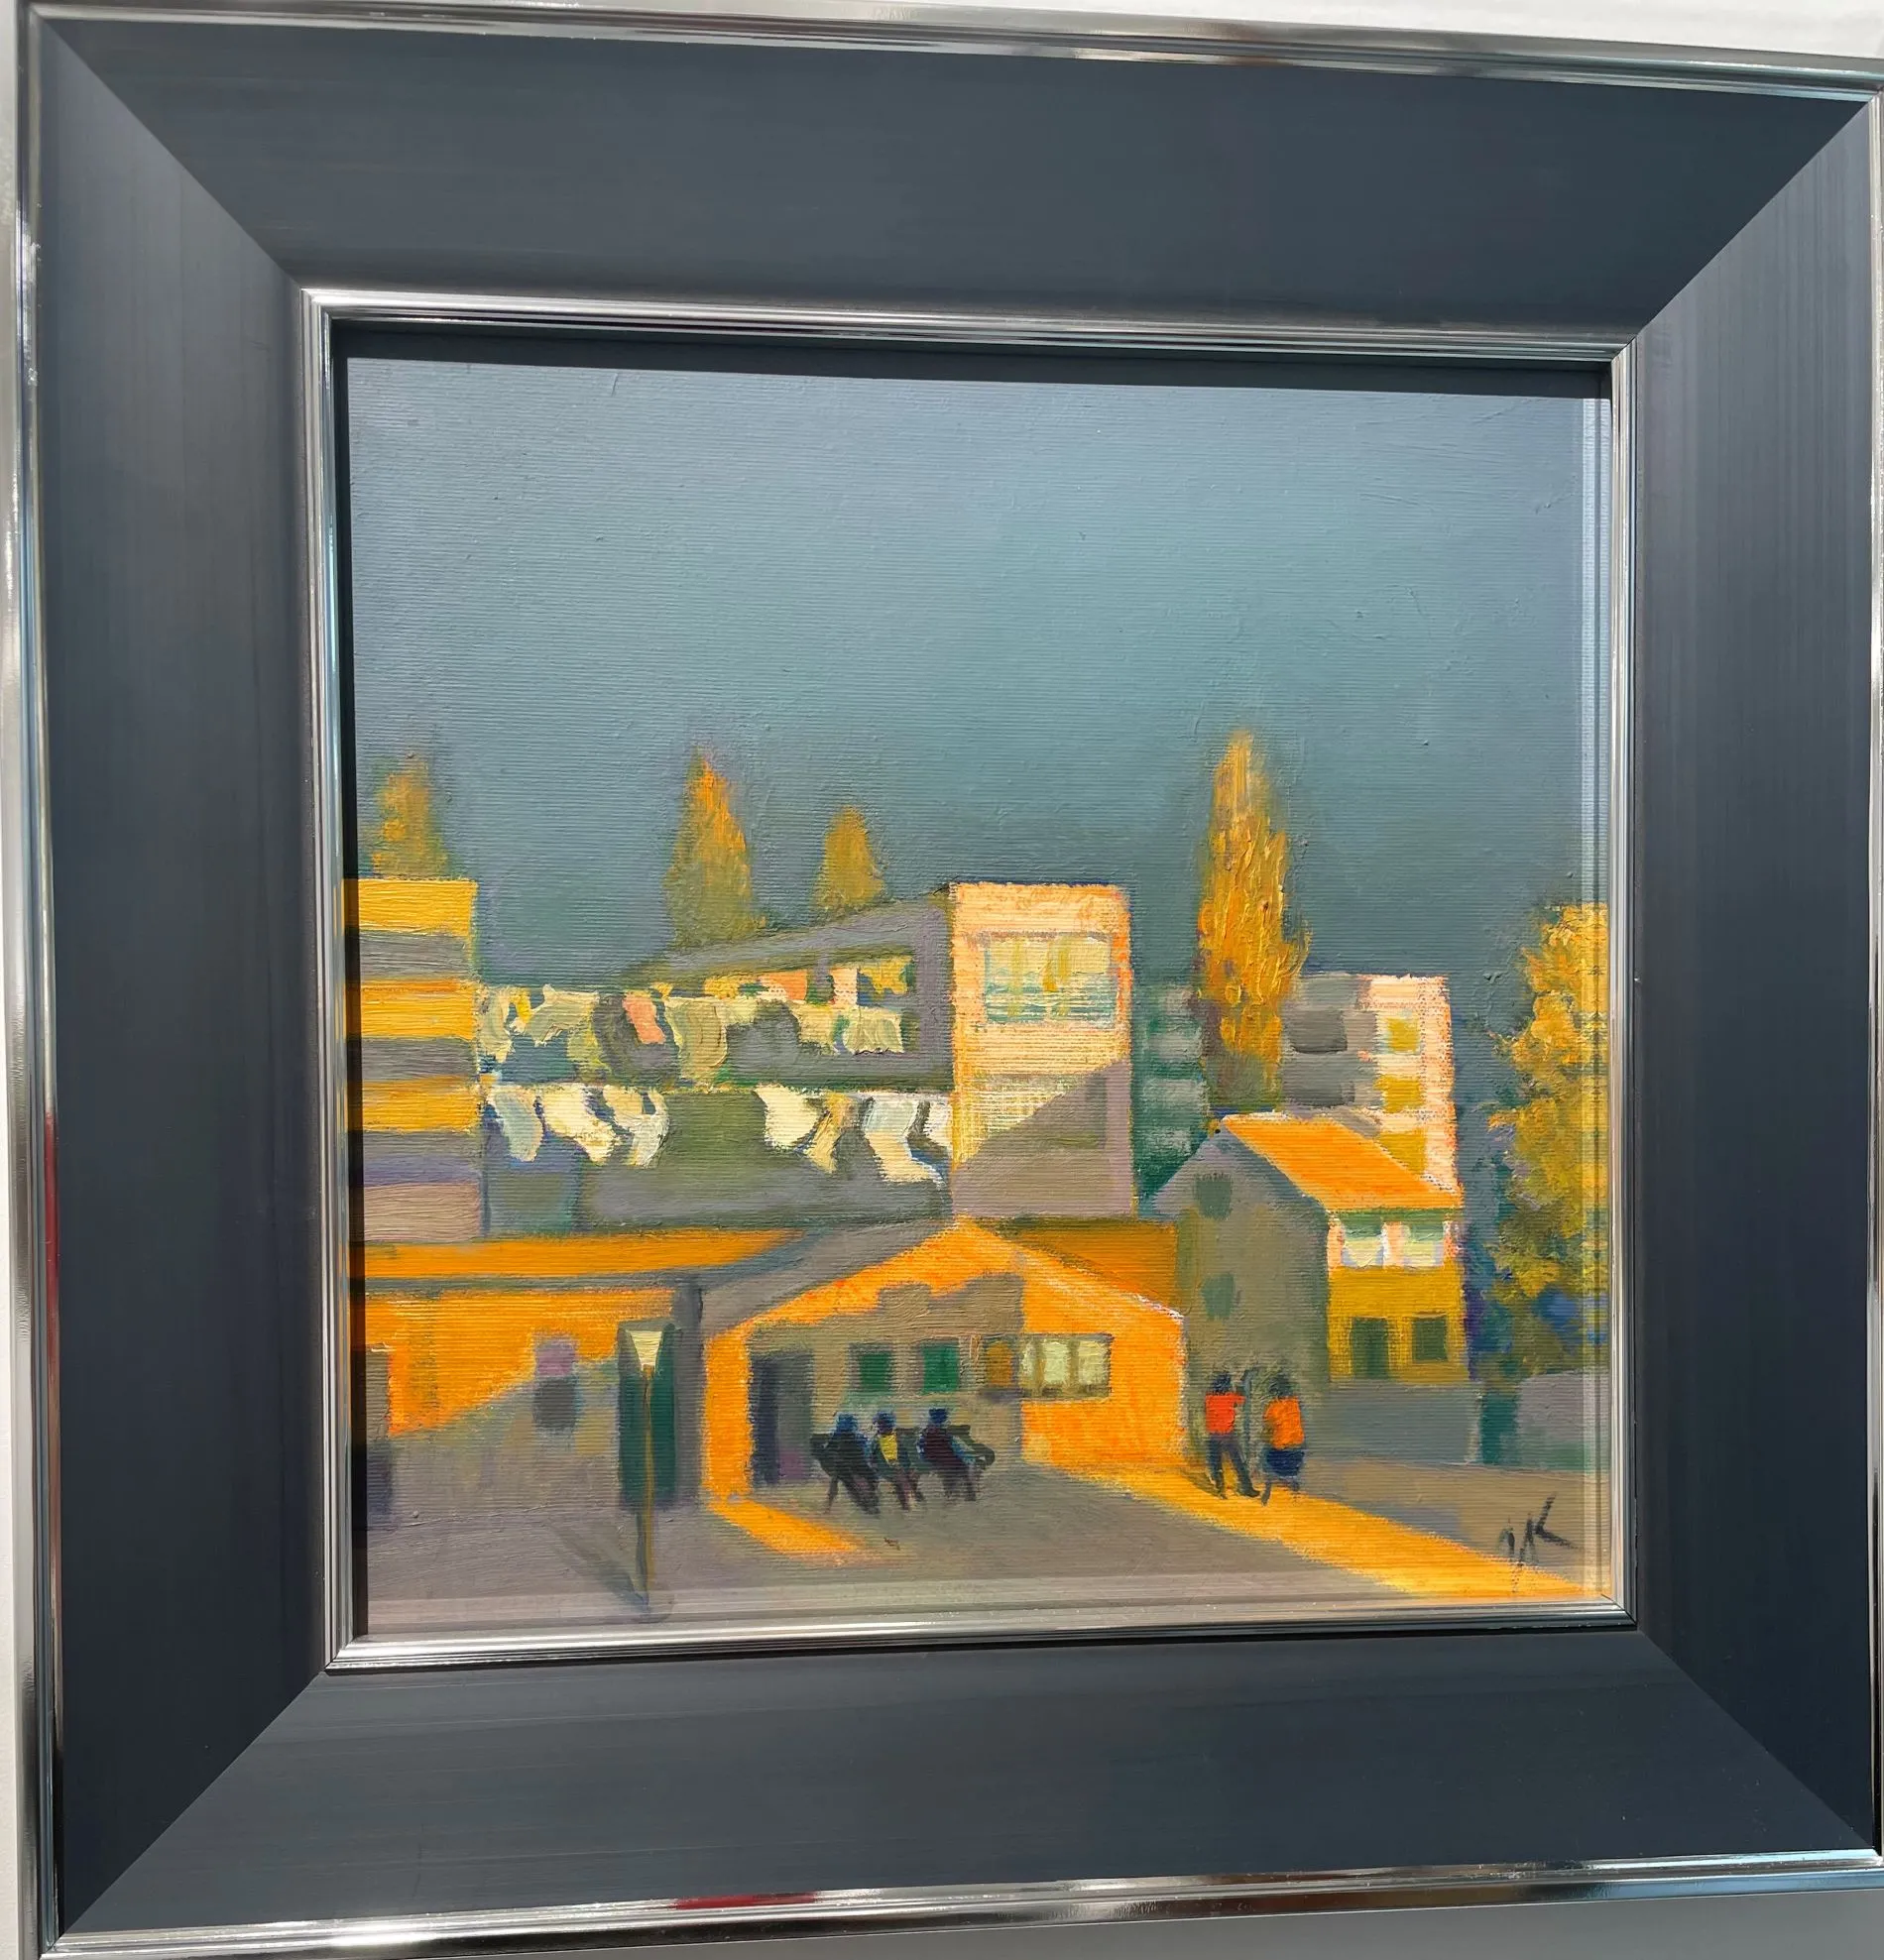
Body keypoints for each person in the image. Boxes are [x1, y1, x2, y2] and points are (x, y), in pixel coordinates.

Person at [1203, 1372, 1255, 1497]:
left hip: (1213, 1436)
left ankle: (1220, 1488)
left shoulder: (1209, 1398)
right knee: (1238, 1462)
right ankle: (1247, 1488)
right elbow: (1242, 1399)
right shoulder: (1231, 1397)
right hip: (1227, 1435)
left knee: (1216, 1463)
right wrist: (1242, 1383)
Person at [820, 1412, 880, 1515]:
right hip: (857, 1466)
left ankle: (828, 1507)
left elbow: (828, 1451)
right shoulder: (857, 1437)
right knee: (871, 1480)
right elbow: (867, 1450)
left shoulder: (836, 1437)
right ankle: (828, 1506)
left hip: (848, 1467)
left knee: (835, 1481)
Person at [1260, 1370, 1307, 1502]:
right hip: (1297, 1453)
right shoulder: (1295, 1403)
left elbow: (1268, 1429)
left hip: (1281, 1453)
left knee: (1264, 1455)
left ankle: (1268, 1487)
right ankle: (1293, 1482)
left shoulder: (1272, 1408)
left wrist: (1264, 1437)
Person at [918, 1407, 979, 1502]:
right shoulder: (945, 1434)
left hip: (937, 1464)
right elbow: (957, 1449)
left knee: (949, 1482)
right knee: (964, 1474)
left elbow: (921, 1451)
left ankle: (953, 1497)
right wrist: (969, 1458)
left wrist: (927, 1462)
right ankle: (969, 1496)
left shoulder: (924, 1434)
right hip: (952, 1464)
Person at [870, 1411, 921, 1511]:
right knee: (907, 1480)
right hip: (894, 1471)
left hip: (885, 1472)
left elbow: (871, 1460)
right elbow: (895, 1461)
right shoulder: (895, 1439)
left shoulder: (876, 1441)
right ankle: (911, 1503)